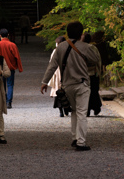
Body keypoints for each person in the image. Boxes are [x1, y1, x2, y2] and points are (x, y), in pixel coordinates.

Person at [40, 21, 101, 150]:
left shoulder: (60, 47)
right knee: (82, 113)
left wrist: (44, 82)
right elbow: (96, 59)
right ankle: (81, 142)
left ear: (67, 33)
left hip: (67, 84)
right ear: (81, 34)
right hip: (82, 84)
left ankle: (74, 137)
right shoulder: (86, 47)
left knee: (74, 111)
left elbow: (52, 66)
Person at [0, 28, 23, 108]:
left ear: (0, 35)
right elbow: (17, 57)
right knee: (10, 85)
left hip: (0, 69)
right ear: (8, 35)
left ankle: (3, 101)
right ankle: (9, 102)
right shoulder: (12, 45)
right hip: (10, 68)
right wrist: (19, 67)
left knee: (1, 85)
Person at [48, 35, 68, 116]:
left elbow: (51, 63)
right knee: (66, 92)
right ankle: (66, 109)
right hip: (66, 73)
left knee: (58, 92)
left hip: (57, 73)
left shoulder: (55, 51)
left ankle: (61, 111)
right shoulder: (68, 51)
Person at [83, 32, 102, 116]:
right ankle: (96, 107)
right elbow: (98, 60)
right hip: (93, 72)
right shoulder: (94, 48)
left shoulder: (80, 48)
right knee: (94, 91)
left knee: (85, 93)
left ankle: (87, 110)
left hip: (83, 73)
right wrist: (99, 71)